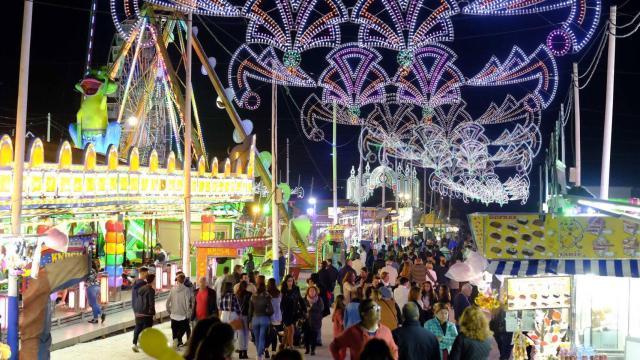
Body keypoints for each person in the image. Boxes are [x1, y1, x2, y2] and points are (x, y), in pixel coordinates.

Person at [330, 299, 399, 360]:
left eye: (379, 307)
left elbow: (394, 349)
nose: (379, 310)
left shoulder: (386, 331)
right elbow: (334, 345)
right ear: (364, 314)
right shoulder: (352, 332)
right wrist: (339, 358)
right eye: (374, 308)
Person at [166, 273, 194, 348]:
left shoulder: (172, 289)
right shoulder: (186, 290)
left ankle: (176, 341)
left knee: (174, 329)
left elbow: (167, 302)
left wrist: (169, 311)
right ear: (184, 280)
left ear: (177, 280)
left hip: (174, 314)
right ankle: (179, 340)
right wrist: (188, 314)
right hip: (183, 315)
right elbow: (187, 303)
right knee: (185, 328)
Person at [249, 281, 273, 360]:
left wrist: (249, 321)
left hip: (255, 318)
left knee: (256, 338)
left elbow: (250, 310)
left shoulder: (252, 296)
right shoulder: (267, 296)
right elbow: (271, 310)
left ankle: (259, 354)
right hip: (265, 319)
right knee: (262, 337)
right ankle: (259, 355)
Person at [132, 273, 156, 352]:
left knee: (138, 327)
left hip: (138, 312)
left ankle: (134, 344)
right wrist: (153, 313)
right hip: (146, 313)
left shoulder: (141, 289)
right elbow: (151, 303)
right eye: (154, 280)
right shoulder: (151, 290)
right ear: (152, 281)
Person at [280, 274, 305, 350]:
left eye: (291, 281)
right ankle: (291, 347)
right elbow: (281, 304)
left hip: (294, 313)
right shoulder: (283, 291)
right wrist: (280, 314)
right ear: (286, 282)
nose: (290, 282)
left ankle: (282, 345)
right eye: (288, 281)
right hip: (286, 313)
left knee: (286, 331)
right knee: (291, 329)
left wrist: (304, 309)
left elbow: (300, 299)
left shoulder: (296, 289)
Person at [303, 285, 324, 355]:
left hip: (316, 320)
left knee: (314, 336)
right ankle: (307, 349)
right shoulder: (305, 299)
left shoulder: (319, 299)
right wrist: (305, 310)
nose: (312, 292)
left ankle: (313, 350)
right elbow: (301, 308)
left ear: (316, 292)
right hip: (306, 321)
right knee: (306, 336)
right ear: (308, 292)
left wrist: (311, 308)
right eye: (310, 291)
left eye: (313, 291)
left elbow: (321, 308)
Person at [266, 278, 282, 358]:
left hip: (268, 317)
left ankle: (266, 349)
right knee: (274, 335)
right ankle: (273, 352)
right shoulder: (279, 293)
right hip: (277, 317)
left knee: (268, 334)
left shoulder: (266, 293)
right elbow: (281, 304)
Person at [236, 281, 252, 359]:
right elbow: (250, 307)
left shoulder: (236, 294)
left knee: (240, 334)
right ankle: (245, 352)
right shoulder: (249, 294)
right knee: (246, 334)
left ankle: (240, 351)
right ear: (246, 286)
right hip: (246, 316)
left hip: (238, 316)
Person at [86, 259, 105, 324]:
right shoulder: (95, 270)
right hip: (97, 286)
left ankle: (97, 317)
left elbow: (89, 278)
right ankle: (98, 316)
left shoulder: (89, 270)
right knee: (93, 303)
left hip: (91, 287)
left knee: (93, 304)